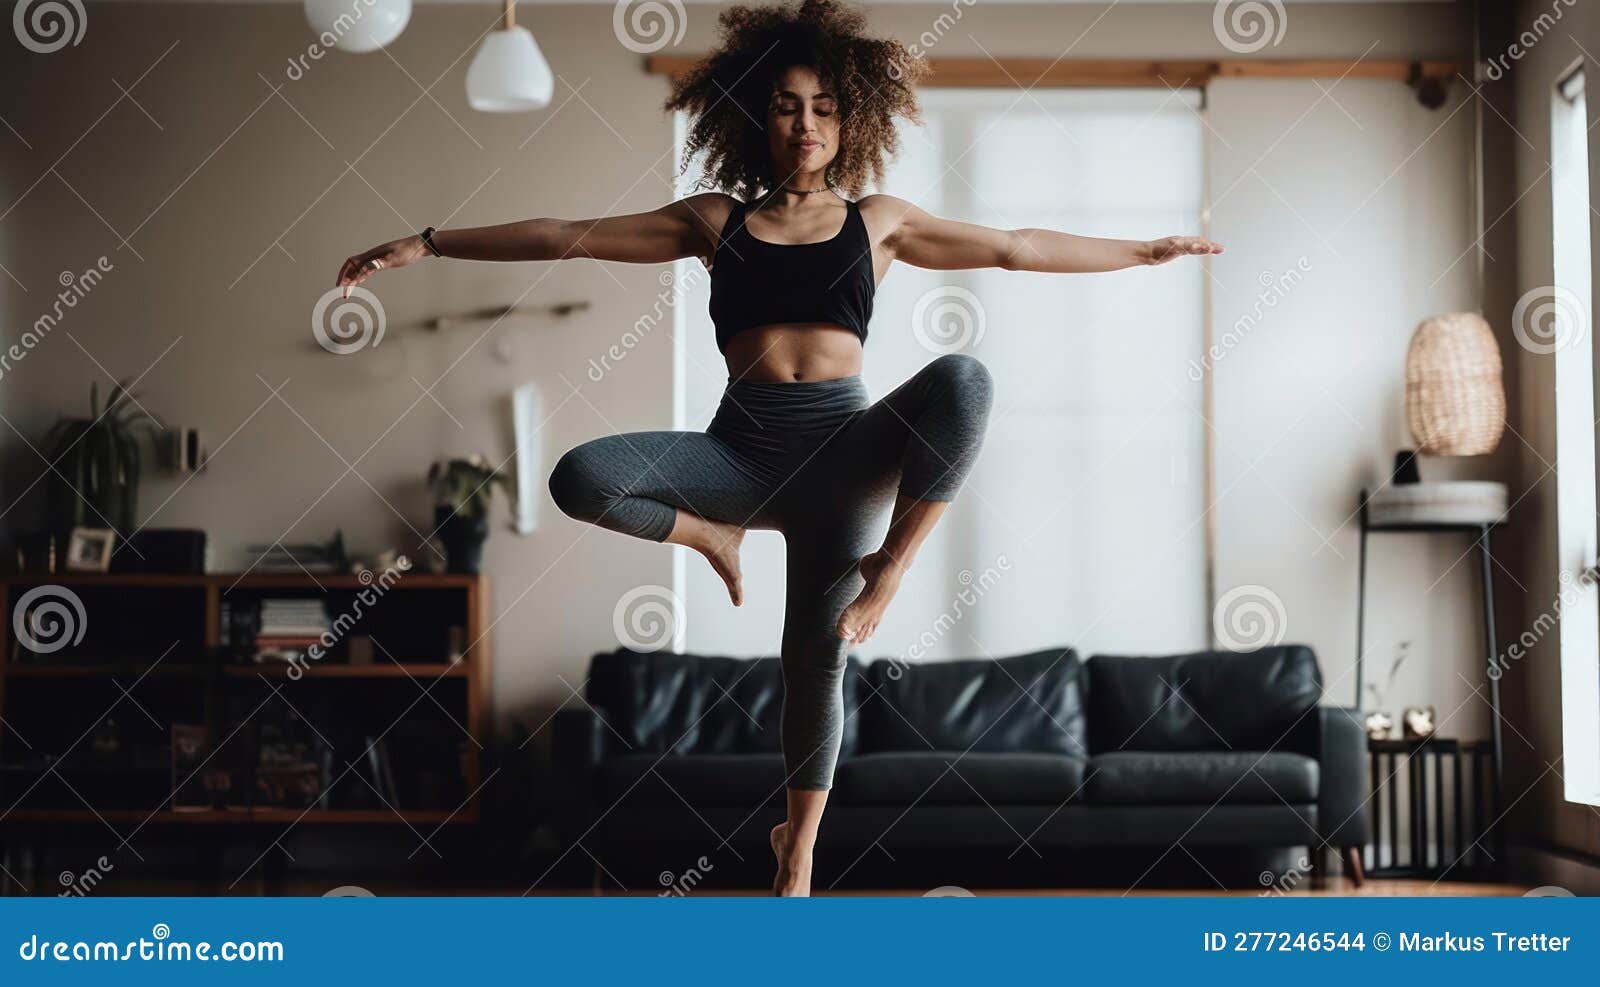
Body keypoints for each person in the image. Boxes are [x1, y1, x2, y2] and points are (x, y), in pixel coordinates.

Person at [334, 0, 1221, 896]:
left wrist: (1142, 249)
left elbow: (1017, 246)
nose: (807, 123)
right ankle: (711, 536)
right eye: (789, 104)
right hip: (741, 456)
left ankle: (800, 840)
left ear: (851, 120)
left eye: (826, 106)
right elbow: (567, 236)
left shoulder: (880, 221)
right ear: (756, 117)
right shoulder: (713, 222)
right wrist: (429, 242)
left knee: (947, 413)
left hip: (847, 462)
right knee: (581, 475)